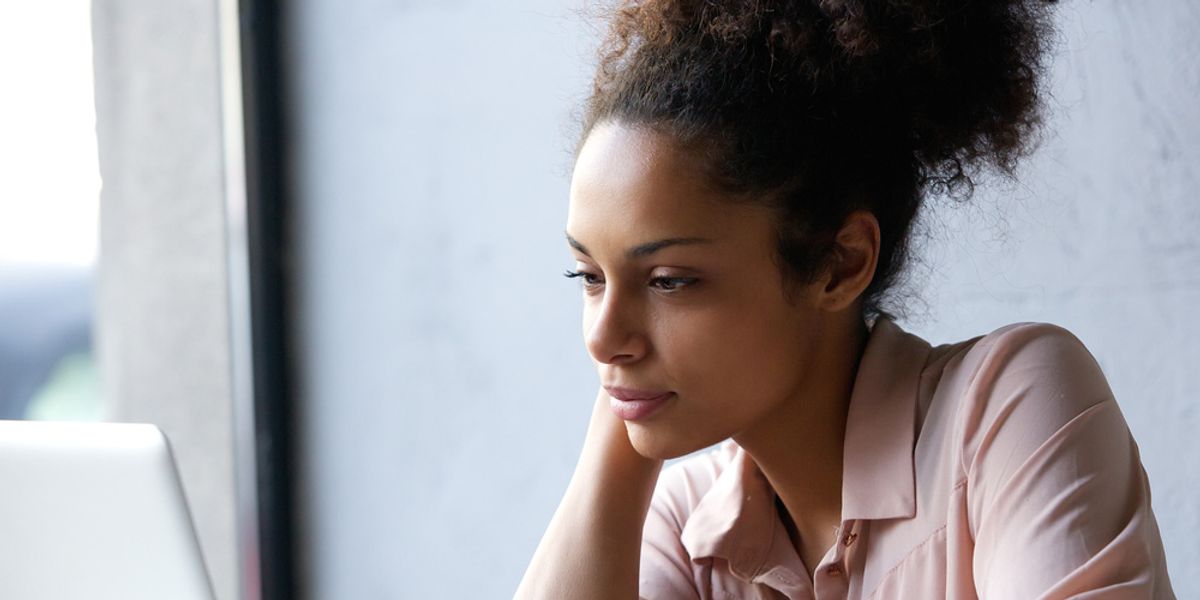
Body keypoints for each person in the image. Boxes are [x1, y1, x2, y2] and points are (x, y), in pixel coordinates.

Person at [516, 0, 1175, 598]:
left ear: (840, 262)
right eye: (589, 276)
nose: (600, 338)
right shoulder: (688, 528)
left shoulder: (1005, 412)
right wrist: (621, 441)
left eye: (668, 281)